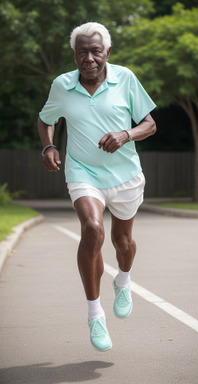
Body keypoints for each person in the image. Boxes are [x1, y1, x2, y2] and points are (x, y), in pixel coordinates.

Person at [38, 22, 156, 352]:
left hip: (125, 176)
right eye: (81, 52)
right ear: (74, 55)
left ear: (107, 53)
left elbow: (150, 124)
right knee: (92, 229)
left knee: (122, 242)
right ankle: (95, 314)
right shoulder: (62, 85)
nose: (88, 58)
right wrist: (48, 146)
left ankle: (123, 280)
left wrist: (126, 134)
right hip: (83, 173)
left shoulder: (126, 79)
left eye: (95, 51)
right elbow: (46, 118)